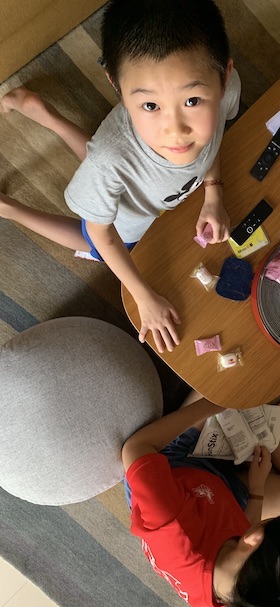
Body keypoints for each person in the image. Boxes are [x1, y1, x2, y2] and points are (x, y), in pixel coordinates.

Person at [0, 0, 240, 354]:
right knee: (94, 236)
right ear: (116, 85)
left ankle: (45, 115)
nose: (175, 131)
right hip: (124, 220)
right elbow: (100, 233)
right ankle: (9, 209)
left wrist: (214, 194)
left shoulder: (226, 92)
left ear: (224, 76)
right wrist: (143, 296)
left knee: (108, 169)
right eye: (150, 106)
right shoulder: (108, 162)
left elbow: (214, 139)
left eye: (192, 101)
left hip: (125, 171)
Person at [121, 391, 280, 607]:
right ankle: (256, 410)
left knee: (232, 387)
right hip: (221, 501)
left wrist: (212, 406)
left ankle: (251, 404)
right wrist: (257, 490)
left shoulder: (168, 519)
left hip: (169, 467)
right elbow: (244, 543)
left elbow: (136, 448)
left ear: (254, 538)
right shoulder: (245, 604)